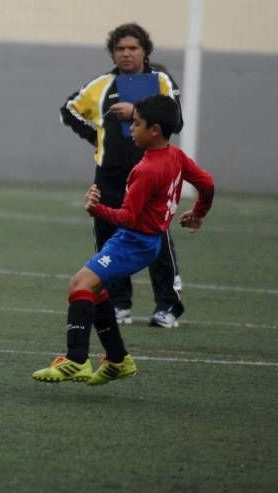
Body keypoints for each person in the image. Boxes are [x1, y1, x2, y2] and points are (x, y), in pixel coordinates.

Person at [33, 95, 215, 385]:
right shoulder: (176, 156)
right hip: (144, 239)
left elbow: (129, 217)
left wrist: (96, 209)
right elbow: (207, 183)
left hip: (135, 241)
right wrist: (199, 212)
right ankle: (118, 360)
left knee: (79, 284)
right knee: (94, 287)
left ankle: (76, 360)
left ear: (154, 130)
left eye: (137, 123)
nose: (131, 128)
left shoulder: (145, 170)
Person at [60, 22, 185, 328]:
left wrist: (135, 112)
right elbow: (69, 110)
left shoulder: (160, 81)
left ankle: (167, 306)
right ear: (112, 53)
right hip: (110, 176)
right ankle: (120, 304)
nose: (126, 54)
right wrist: (97, 136)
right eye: (120, 49)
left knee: (155, 238)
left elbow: (176, 120)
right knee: (108, 238)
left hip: (151, 174)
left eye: (133, 48)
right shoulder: (102, 85)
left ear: (145, 51)